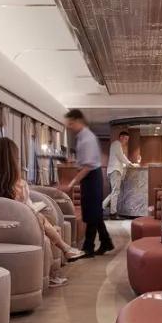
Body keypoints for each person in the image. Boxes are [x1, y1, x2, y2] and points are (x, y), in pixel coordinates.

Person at [0, 137, 85, 286]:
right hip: (18, 232)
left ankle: (65, 251)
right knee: (39, 219)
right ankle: (58, 262)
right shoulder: (19, 186)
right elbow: (28, 212)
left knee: (40, 220)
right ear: (14, 160)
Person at [62, 109, 114, 257]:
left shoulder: (88, 138)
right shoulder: (81, 137)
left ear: (78, 121)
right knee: (94, 212)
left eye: (71, 123)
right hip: (89, 177)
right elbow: (84, 162)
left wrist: (71, 184)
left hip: (92, 176)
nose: (69, 127)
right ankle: (105, 242)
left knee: (92, 212)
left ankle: (88, 248)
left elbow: (88, 166)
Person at [103, 130, 135, 218]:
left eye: (127, 139)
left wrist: (128, 163)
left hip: (113, 170)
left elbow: (122, 156)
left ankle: (103, 207)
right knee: (115, 192)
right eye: (126, 139)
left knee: (114, 191)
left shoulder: (117, 145)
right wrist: (129, 163)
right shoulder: (117, 144)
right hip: (115, 170)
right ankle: (112, 213)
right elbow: (121, 157)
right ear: (121, 137)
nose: (126, 141)